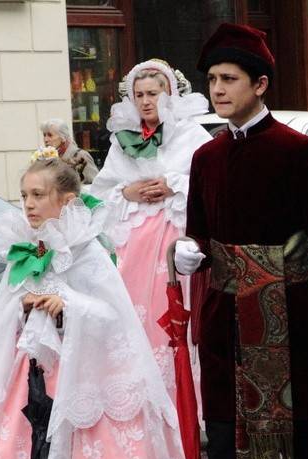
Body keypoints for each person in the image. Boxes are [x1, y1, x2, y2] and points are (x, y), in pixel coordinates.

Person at [0, 151, 199, 459]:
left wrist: (69, 306)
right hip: (27, 378)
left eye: (38, 195)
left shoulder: (88, 251)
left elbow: (115, 318)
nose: (29, 205)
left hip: (82, 377)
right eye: (24, 195)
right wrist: (21, 308)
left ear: (67, 201)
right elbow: (0, 318)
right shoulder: (26, 249)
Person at [175, 22, 308, 459]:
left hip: (289, 321)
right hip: (226, 326)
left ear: (259, 85)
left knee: (307, 447)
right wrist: (188, 251)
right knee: (224, 448)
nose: (217, 89)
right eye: (213, 79)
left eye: (229, 79)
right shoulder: (206, 157)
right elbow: (199, 230)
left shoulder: (294, 150)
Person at [89, 59, 212, 415]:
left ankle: (185, 406)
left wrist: (173, 185)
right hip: (133, 244)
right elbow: (100, 192)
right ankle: (139, 404)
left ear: (168, 95)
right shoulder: (121, 141)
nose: (145, 102)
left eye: (153, 94)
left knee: (172, 315)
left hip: (173, 240)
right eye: (138, 95)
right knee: (133, 316)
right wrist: (127, 193)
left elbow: (210, 184)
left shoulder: (191, 135)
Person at [40, 118, 99, 184]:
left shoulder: (80, 155)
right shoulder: (47, 157)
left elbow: (96, 184)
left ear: (63, 137)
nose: (45, 139)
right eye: (44, 135)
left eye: (50, 135)